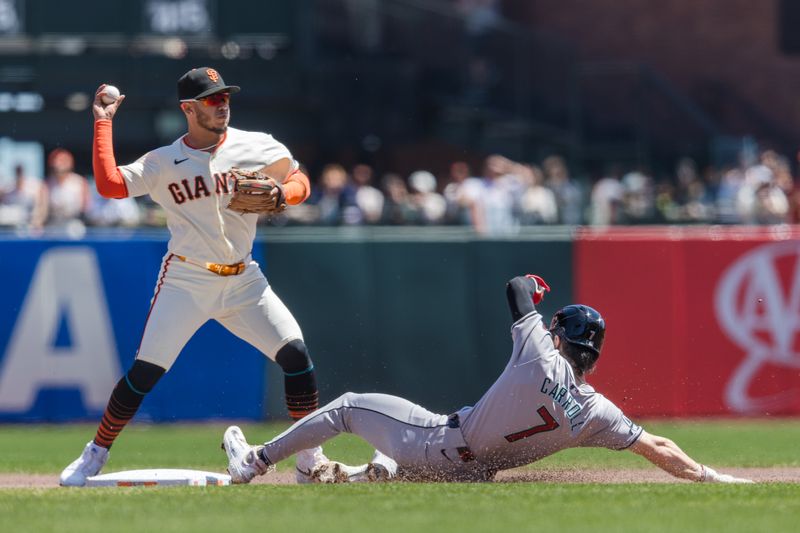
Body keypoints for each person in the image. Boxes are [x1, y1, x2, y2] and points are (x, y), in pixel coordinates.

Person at [222, 274, 753, 484]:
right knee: (392, 460)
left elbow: (516, 287)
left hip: (440, 446)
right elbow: (657, 446)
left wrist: (533, 285)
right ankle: (346, 477)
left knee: (345, 406)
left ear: (561, 336)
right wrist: (713, 477)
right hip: (470, 473)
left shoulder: (540, 353)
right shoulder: (597, 412)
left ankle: (256, 462)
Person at [60, 67, 324, 486]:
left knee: (296, 358)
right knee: (143, 374)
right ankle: (95, 453)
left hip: (244, 280)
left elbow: (299, 179)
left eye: (225, 97)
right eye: (212, 99)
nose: (223, 104)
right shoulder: (164, 162)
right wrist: (103, 122)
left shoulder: (256, 145)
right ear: (189, 108)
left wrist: (283, 194)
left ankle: (311, 459)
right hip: (187, 280)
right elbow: (110, 186)